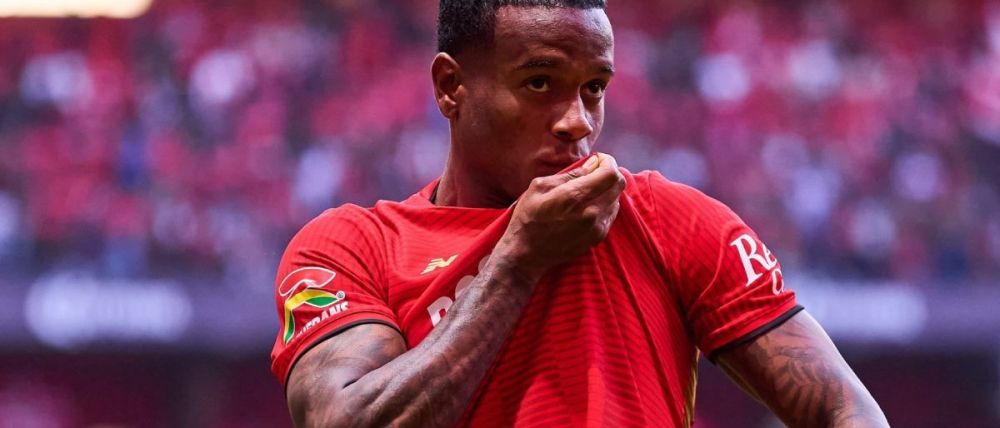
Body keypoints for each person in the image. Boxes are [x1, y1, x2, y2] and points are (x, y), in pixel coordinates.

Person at [269, 1, 889, 426]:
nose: (578, 122)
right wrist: (518, 260)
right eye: (540, 82)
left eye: (594, 87)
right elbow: (342, 419)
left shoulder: (670, 219)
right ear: (451, 87)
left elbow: (845, 409)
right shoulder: (349, 248)